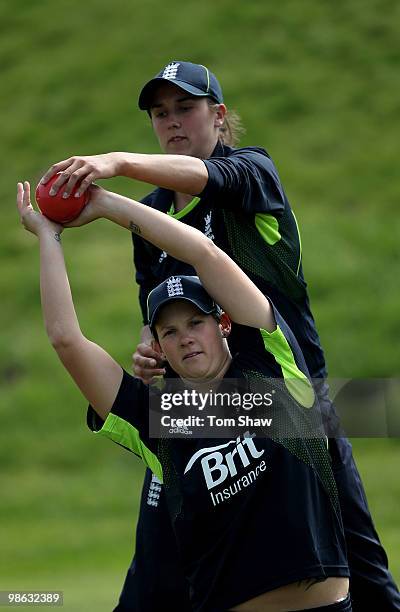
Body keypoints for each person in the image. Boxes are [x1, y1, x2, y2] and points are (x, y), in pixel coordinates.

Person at [39, 61, 400, 611]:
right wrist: (149, 348)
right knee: (155, 572)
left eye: (186, 108)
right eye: (161, 114)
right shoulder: (153, 212)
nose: (173, 123)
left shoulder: (250, 171)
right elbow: (152, 299)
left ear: (219, 115)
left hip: (288, 400)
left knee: (359, 572)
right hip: (199, 408)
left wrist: (115, 167)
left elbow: (203, 241)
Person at [16, 179, 352, 612]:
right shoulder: (162, 417)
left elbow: (203, 252)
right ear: (157, 348)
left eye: (196, 323)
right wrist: (49, 236)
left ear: (224, 323)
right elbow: (66, 339)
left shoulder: (273, 369)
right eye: (169, 332)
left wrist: (103, 203)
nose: (186, 339)